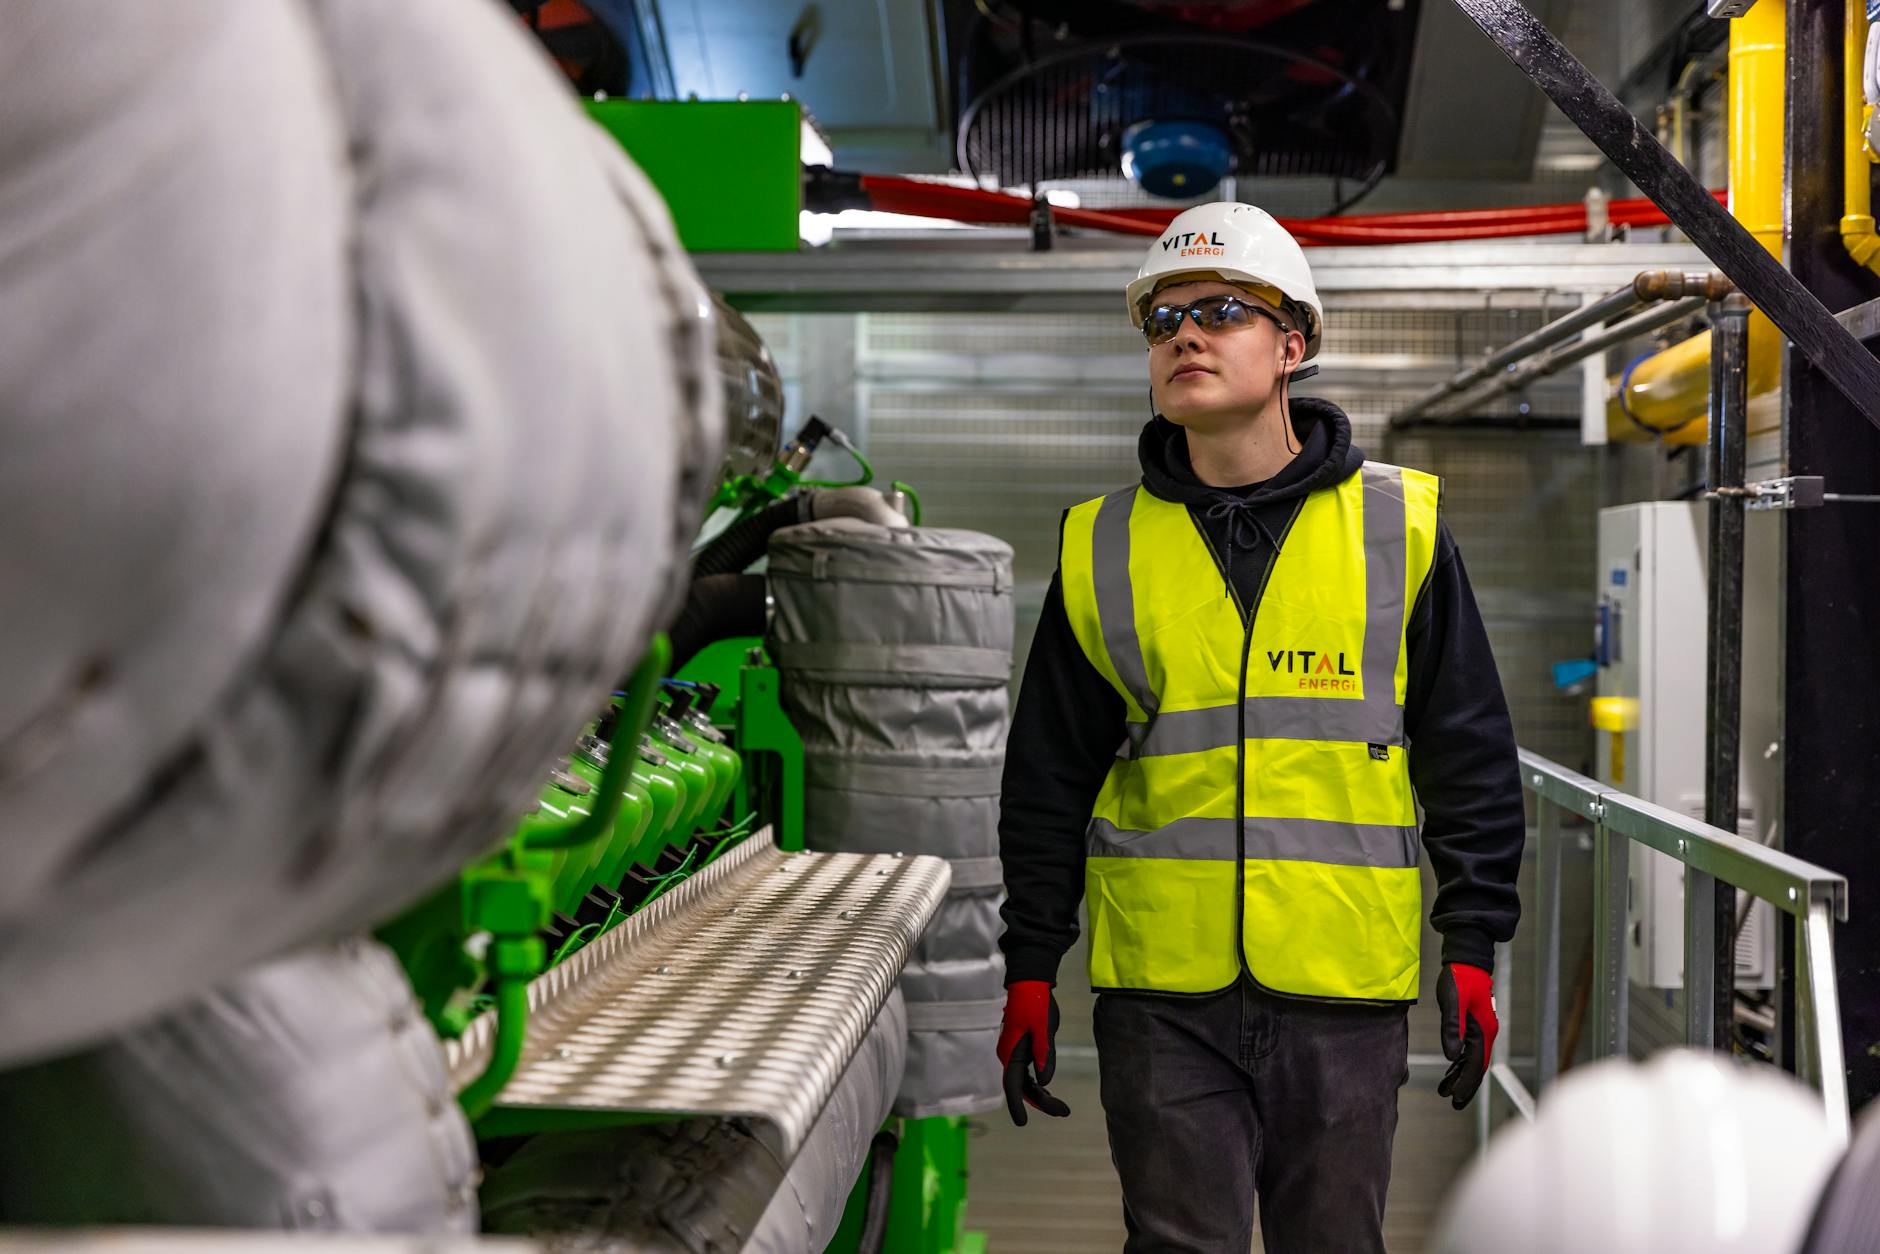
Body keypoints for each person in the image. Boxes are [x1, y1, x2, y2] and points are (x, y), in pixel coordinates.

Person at [995, 201, 1526, 1254]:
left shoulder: (1396, 527)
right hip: (1161, 994)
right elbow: (1046, 777)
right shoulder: (1102, 545)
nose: (1184, 336)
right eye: (1163, 321)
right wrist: (1029, 960)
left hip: (1341, 987)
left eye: (1222, 312)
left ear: (1292, 346)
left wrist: (1472, 940)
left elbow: (1467, 751)